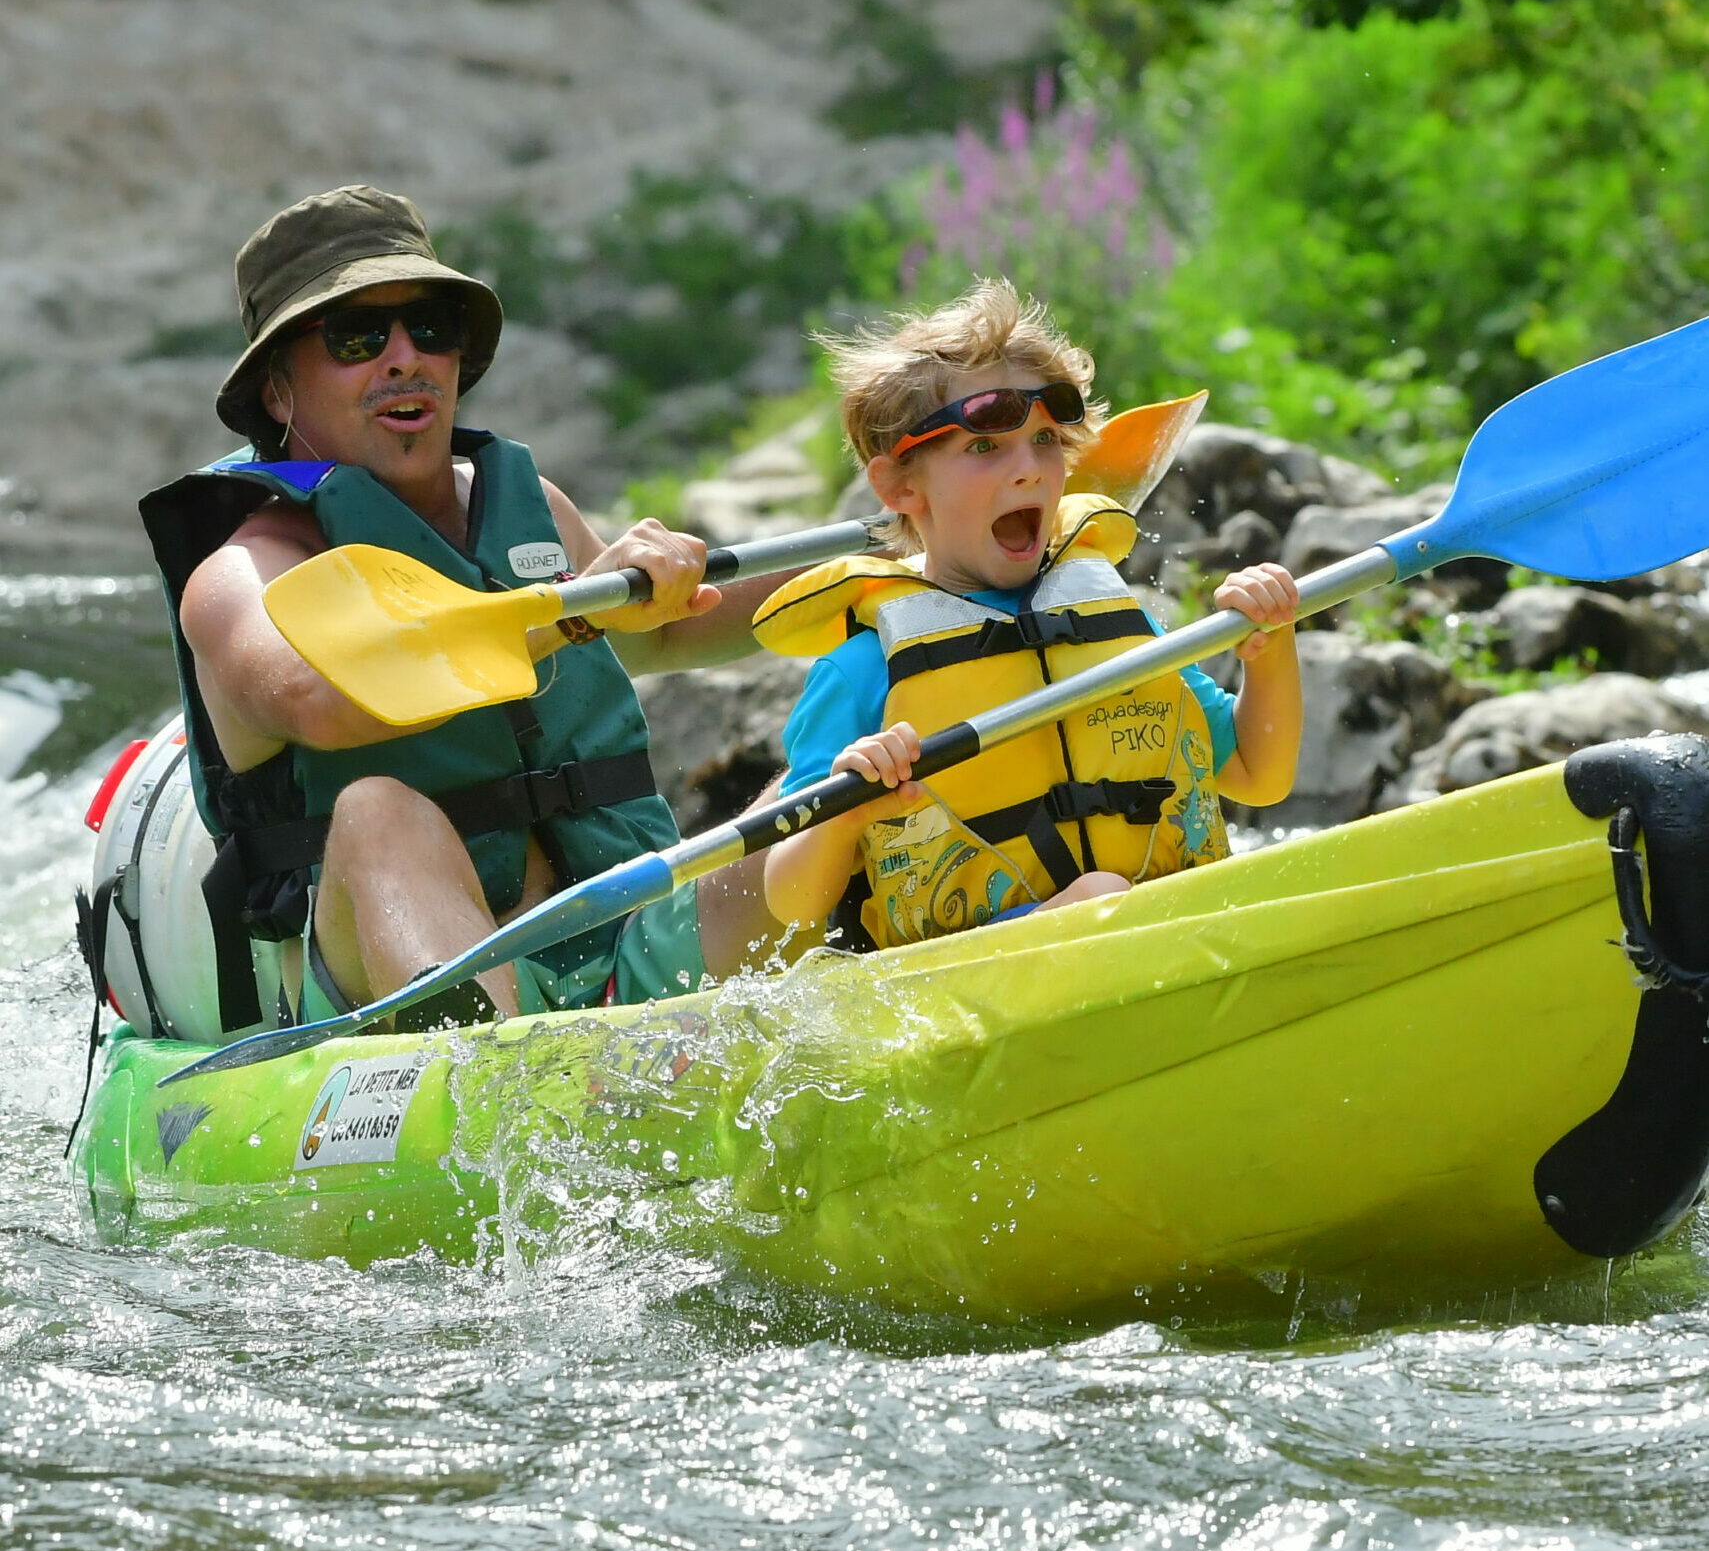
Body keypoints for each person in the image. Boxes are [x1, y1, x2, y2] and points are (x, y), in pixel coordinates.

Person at [139, 184, 789, 1033]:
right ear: (276, 391)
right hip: (378, 970)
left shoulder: (527, 507)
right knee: (377, 811)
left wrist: (887, 564)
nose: (405, 358)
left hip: (620, 921)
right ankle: (500, 1088)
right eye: (357, 336)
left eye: (430, 329)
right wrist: (572, 613)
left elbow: (667, 626)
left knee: (848, 771)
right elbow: (320, 698)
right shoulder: (240, 575)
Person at [751, 281, 1302, 951]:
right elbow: (790, 900)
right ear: (900, 486)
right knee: (1102, 898)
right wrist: (844, 812)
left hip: (1160, 931)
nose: (1031, 471)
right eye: (984, 447)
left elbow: (1257, 773)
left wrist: (1269, 646)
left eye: (1045, 440)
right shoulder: (863, 668)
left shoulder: (1111, 619)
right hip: (968, 977)